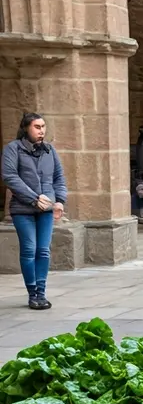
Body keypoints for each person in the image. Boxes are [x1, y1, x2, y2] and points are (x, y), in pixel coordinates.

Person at [1, 113, 64, 310]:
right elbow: (10, 177)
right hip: (22, 210)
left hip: (46, 209)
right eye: (37, 127)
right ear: (26, 128)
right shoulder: (13, 149)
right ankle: (32, 293)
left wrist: (60, 201)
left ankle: (41, 293)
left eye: (43, 126)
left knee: (43, 251)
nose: (41, 130)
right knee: (29, 250)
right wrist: (34, 198)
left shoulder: (50, 150)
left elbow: (58, 177)